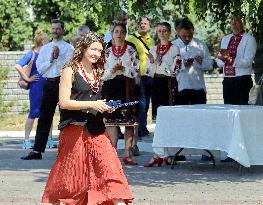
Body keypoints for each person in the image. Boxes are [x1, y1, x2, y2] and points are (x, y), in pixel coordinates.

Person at [42, 32, 133, 205]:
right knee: (73, 180)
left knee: (110, 171)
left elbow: (96, 102)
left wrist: (106, 107)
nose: (96, 54)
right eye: (93, 49)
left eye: (99, 51)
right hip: (74, 130)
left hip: (97, 129)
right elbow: (64, 102)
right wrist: (92, 105)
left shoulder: (98, 72)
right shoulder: (69, 70)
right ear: (83, 48)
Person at [21, 19, 74, 160]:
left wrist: (59, 58)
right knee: (44, 117)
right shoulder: (45, 49)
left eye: (58, 28)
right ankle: (37, 151)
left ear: (62, 30)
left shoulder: (69, 48)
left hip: (64, 83)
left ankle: (67, 151)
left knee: (66, 117)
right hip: (49, 83)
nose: (55, 31)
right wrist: (51, 59)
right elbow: (40, 69)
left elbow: (71, 67)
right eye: (53, 28)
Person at [216, 12, 257, 162]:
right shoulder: (226, 39)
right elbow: (219, 62)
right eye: (232, 20)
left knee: (241, 116)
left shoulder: (249, 39)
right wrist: (223, 60)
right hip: (228, 80)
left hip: (242, 80)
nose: (234, 23)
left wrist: (230, 59)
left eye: (237, 20)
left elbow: (247, 62)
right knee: (230, 115)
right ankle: (231, 152)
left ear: (243, 23)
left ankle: (243, 152)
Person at [102, 23, 139, 165]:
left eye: (122, 32)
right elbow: (101, 74)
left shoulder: (130, 50)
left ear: (125, 34)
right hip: (111, 87)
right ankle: (113, 153)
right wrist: (112, 70)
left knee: (129, 122)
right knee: (111, 121)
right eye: (116, 31)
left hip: (127, 87)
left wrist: (124, 69)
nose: (119, 34)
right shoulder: (106, 52)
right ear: (112, 33)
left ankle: (128, 153)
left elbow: (136, 70)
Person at [15, 30, 57, 149]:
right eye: (47, 41)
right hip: (36, 88)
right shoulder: (32, 54)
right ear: (43, 41)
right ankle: (26, 141)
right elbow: (17, 65)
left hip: (48, 87)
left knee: (48, 114)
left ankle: (48, 140)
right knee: (33, 113)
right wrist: (27, 79)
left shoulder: (47, 54)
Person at [126, 16, 154, 156]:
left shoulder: (152, 40)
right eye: (141, 23)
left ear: (149, 26)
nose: (143, 25)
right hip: (138, 76)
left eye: (145, 24)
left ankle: (143, 128)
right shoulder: (131, 39)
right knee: (141, 104)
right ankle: (141, 130)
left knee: (146, 103)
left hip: (150, 76)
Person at [146, 22, 179, 121]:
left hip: (169, 82)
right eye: (159, 31)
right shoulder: (153, 49)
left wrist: (161, 63)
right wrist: (152, 62)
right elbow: (149, 71)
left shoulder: (174, 49)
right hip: (156, 82)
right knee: (158, 111)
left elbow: (176, 69)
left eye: (164, 31)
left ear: (169, 32)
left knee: (169, 110)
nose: (162, 33)